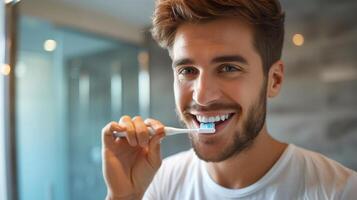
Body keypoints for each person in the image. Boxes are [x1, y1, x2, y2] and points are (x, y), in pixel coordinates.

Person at [101, 0, 357, 199]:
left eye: (228, 68)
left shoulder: (340, 192)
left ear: (274, 80)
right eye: (187, 71)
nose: (202, 96)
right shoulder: (158, 183)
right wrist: (124, 197)